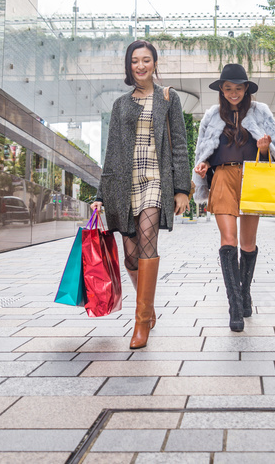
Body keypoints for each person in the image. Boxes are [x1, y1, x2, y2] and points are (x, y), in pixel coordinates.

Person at [91, 40, 190, 349]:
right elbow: (111, 153)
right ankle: (147, 307)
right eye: (135, 60)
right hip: (124, 184)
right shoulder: (120, 104)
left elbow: (180, 145)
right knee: (131, 257)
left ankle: (140, 321)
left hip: (155, 182)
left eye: (146, 60)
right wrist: (100, 195)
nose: (141, 65)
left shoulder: (167, 98)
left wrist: (182, 189)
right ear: (128, 65)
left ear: (154, 63)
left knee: (148, 242)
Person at [192, 64, 275, 331]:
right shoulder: (212, 115)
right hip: (222, 179)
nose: (233, 93)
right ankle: (235, 306)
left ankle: (245, 291)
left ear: (246, 89)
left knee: (248, 244)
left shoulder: (260, 112)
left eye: (238, 88)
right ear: (221, 91)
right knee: (229, 241)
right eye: (228, 89)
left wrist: (265, 148)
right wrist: (202, 167)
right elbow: (202, 152)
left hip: (254, 178)